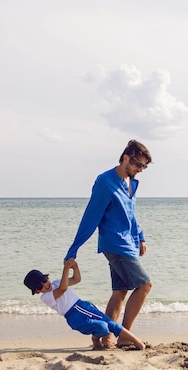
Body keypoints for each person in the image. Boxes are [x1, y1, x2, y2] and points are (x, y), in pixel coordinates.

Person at [64, 139, 153, 348]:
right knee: (145, 285)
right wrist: (73, 248)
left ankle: (105, 337)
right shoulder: (105, 182)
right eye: (137, 164)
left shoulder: (132, 183)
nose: (140, 170)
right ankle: (124, 336)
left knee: (120, 291)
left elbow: (130, 213)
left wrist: (140, 235)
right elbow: (91, 217)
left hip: (128, 242)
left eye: (144, 166)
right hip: (115, 244)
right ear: (125, 158)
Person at [23, 262, 146, 350]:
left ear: (46, 277)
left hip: (83, 307)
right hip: (75, 315)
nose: (45, 285)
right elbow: (62, 289)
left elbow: (76, 279)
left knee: (108, 325)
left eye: (44, 281)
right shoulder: (46, 297)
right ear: (37, 292)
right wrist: (66, 268)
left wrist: (74, 267)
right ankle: (98, 339)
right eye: (40, 287)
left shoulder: (56, 282)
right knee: (105, 326)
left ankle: (134, 341)